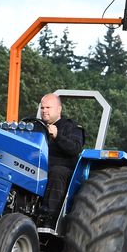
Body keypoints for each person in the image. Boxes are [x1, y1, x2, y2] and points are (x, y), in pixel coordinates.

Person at [39, 93, 84, 228]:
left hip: (64, 171)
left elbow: (75, 148)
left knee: (57, 171)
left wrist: (57, 136)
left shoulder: (71, 127)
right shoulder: (36, 127)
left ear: (59, 109)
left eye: (48, 107)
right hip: (39, 168)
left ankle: (50, 219)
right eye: (42, 108)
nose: (44, 110)